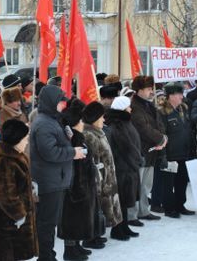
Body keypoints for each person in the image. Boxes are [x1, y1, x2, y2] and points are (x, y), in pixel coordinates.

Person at [30, 85, 85, 261]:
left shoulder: (52, 120)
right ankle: (46, 257)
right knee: (46, 222)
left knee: (49, 221)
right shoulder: (44, 123)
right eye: (61, 101)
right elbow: (50, 152)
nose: (64, 104)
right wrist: (72, 152)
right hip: (49, 181)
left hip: (55, 179)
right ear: (52, 102)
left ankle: (48, 255)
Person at [0, 119, 38, 261]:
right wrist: (19, 214)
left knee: (17, 254)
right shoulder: (4, 161)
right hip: (8, 222)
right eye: (25, 139)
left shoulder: (17, 156)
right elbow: (6, 195)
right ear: (16, 139)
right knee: (8, 254)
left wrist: (30, 185)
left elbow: (17, 183)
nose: (27, 142)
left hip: (16, 221)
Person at [58, 99, 97, 261]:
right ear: (74, 123)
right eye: (80, 120)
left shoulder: (78, 137)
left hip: (82, 184)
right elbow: (74, 167)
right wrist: (77, 187)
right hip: (74, 187)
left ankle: (77, 245)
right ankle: (70, 250)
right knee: (72, 219)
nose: (83, 122)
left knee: (79, 218)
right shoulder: (72, 140)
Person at [82, 102, 122, 245]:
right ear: (94, 118)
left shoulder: (98, 132)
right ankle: (90, 237)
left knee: (102, 207)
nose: (104, 120)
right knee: (96, 207)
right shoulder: (89, 135)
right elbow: (94, 161)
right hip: (100, 178)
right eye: (101, 117)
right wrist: (100, 179)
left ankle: (96, 234)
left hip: (107, 177)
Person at [129, 76, 167, 223]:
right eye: (148, 89)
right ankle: (132, 215)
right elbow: (143, 128)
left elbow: (158, 123)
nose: (151, 91)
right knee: (136, 185)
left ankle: (143, 211)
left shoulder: (149, 105)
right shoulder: (134, 106)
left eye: (152, 88)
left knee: (146, 185)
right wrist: (161, 138)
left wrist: (163, 137)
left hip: (151, 150)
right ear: (139, 90)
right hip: (140, 150)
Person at [105, 96, 142, 240]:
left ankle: (124, 226)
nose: (131, 109)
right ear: (122, 108)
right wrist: (136, 160)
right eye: (128, 106)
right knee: (120, 200)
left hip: (128, 166)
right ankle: (117, 229)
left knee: (125, 200)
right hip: (122, 167)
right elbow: (126, 147)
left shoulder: (124, 121)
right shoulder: (118, 124)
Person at [159, 83, 195, 218]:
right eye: (179, 94)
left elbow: (188, 129)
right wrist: (163, 155)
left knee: (182, 181)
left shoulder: (183, 109)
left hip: (184, 152)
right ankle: (169, 208)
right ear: (171, 96)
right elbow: (162, 134)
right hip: (170, 154)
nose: (182, 96)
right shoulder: (162, 112)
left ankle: (180, 205)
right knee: (169, 183)